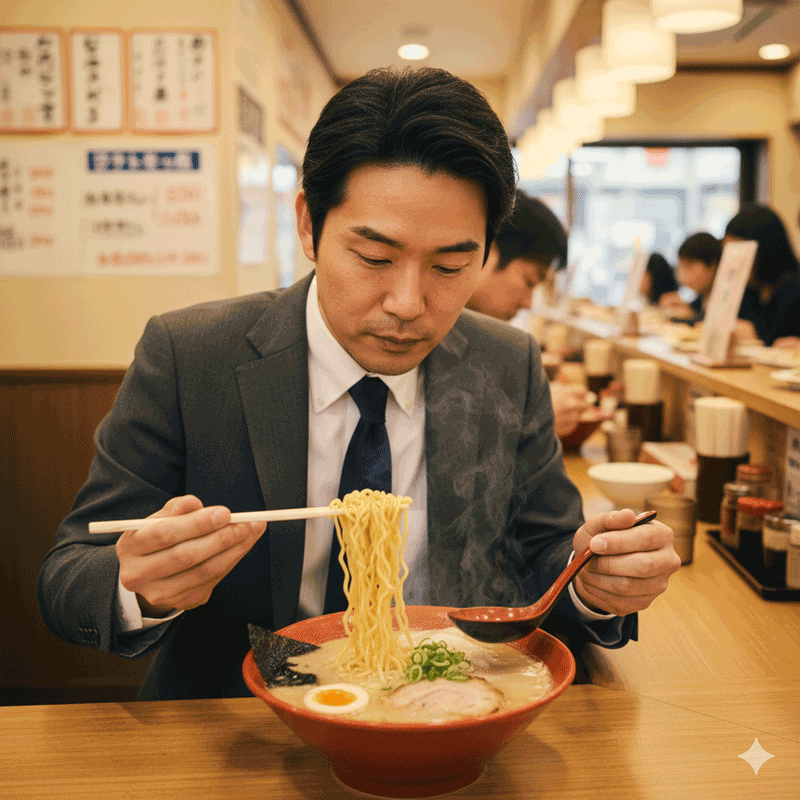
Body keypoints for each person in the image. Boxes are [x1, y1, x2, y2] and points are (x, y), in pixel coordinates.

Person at [37, 67, 679, 701]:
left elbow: (547, 558)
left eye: (450, 265)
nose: (407, 303)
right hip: (237, 721)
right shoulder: (191, 354)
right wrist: (139, 587)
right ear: (309, 225)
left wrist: (594, 586)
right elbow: (71, 574)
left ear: (485, 254)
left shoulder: (505, 365)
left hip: (441, 707)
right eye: (374, 258)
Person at [465, 189, 592, 438]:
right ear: (488, 252)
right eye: (529, 281)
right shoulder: (425, 331)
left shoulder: (471, 336)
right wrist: (534, 420)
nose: (528, 303)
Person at [724, 204, 800, 347]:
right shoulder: (750, 289)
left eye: (739, 252)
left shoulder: (793, 289)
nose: (734, 262)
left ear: (764, 248)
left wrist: (758, 336)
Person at [676, 232, 722, 321]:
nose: (682, 275)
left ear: (713, 266)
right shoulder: (701, 299)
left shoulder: (730, 303)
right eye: (681, 267)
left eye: (688, 266)